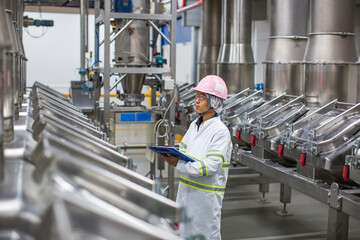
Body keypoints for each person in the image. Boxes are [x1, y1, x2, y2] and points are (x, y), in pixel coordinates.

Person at [161, 75, 233, 240]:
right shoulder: (195, 125)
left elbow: (211, 166)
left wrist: (178, 163)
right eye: (197, 96)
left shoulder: (220, 132)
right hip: (186, 193)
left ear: (214, 102)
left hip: (205, 201)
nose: (197, 101)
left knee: (205, 235)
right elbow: (184, 150)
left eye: (202, 97)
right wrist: (172, 153)